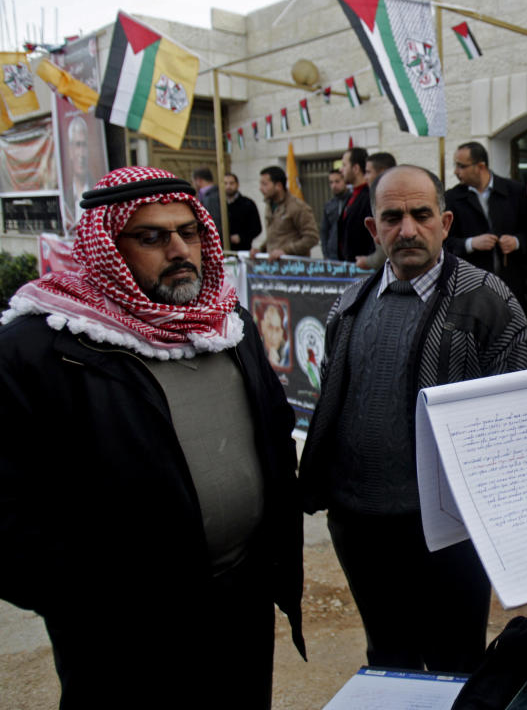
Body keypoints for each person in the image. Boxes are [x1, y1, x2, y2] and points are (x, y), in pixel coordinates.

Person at [0, 166, 304, 709]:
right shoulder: (40, 348)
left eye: (188, 232)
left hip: (240, 605)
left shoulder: (226, 325)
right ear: (104, 248)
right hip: (123, 637)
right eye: (151, 236)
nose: (179, 249)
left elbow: (275, 431)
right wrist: (89, 600)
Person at [299, 164, 527, 673]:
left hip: (446, 536)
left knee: (455, 661)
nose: (407, 229)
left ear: (446, 223)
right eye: (392, 217)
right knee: (388, 655)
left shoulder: (488, 300)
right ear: (373, 229)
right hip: (360, 527)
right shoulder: (349, 304)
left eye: (421, 214)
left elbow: (525, 420)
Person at [445, 141, 527, 308]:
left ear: (481, 166)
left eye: (461, 166)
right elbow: (444, 242)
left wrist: (516, 242)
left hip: (511, 284)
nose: (456, 172)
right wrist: (471, 243)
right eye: (456, 166)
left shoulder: (515, 191)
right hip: (471, 286)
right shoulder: (452, 198)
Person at [253, 165, 319, 260]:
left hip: (293, 266)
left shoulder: (298, 207)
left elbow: (312, 238)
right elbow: (275, 236)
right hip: (273, 266)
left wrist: (286, 251)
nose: (261, 188)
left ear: (278, 186)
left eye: (265, 184)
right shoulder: (269, 205)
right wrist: (260, 250)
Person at [355, 151, 396, 270]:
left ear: (382, 172)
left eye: (368, 172)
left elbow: (384, 253)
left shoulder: (389, 199)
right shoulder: (376, 197)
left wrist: (367, 261)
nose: (365, 177)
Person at [338, 147, 374, 262]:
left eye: (344, 165)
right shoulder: (350, 195)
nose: (340, 169)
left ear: (356, 168)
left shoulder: (369, 197)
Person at [223, 172, 263, 251]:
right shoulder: (218, 204)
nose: (228, 186)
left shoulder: (247, 203)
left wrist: (241, 237)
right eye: (225, 183)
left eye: (231, 183)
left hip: (242, 250)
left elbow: (256, 228)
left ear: (237, 185)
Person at [320, 168, 350, 259]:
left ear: (344, 181)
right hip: (333, 255)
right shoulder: (329, 205)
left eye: (337, 181)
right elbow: (324, 231)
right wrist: (325, 253)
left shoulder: (354, 201)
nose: (334, 185)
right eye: (331, 182)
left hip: (350, 254)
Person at [192, 166, 222, 242]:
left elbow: (214, 221)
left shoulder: (211, 197)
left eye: (193, 181)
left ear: (198, 180)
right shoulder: (207, 195)